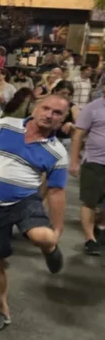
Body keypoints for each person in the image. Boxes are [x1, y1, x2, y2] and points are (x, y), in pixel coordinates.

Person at [0, 95, 70, 330]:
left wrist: (57, 230)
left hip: (25, 199)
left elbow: (56, 192)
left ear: (63, 119)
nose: (49, 115)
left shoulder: (57, 152)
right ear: (35, 107)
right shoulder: (4, 125)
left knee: (44, 237)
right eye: (46, 108)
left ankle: (51, 249)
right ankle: (1, 310)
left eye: (57, 113)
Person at [70, 89, 105, 255]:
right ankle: (90, 239)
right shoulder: (92, 108)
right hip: (94, 162)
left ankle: (101, 229)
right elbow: (78, 136)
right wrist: (74, 161)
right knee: (89, 201)